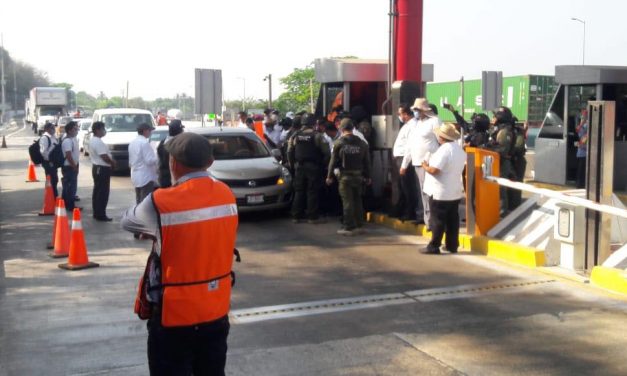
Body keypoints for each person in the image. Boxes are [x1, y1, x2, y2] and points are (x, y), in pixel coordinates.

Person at [121, 132, 238, 375]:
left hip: (174, 315)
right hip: (216, 309)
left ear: (172, 163)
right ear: (210, 162)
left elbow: (128, 222)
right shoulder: (226, 193)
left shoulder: (161, 201)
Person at [421, 123, 466, 254]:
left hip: (440, 192)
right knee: (452, 221)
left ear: (442, 137)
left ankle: (434, 246)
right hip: (454, 191)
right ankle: (452, 245)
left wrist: (425, 166)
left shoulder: (444, 150)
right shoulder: (459, 150)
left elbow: (435, 170)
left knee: (438, 220)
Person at [400, 98, 442, 226]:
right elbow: (410, 145)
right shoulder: (416, 124)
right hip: (417, 163)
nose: (415, 112)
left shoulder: (434, 121)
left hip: (430, 163)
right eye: (414, 110)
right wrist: (404, 164)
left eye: (417, 110)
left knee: (431, 192)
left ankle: (434, 220)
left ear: (424, 110)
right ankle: (428, 220)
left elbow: (442, 140)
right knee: (422, 193)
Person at [327, 118, 371, 236]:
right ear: (352, 128)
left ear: (341, 129)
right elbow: (367, 162)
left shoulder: (339, 143)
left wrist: (329, 176)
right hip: (358, 176)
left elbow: (333, 161)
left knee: (347, 202)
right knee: (357, 200)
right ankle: (359, 224)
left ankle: (348, 226)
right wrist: (368, 176)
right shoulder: (362, 143)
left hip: (345, 177)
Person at [287, 113, 330, 223]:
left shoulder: (295, 135)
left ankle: (296, 216)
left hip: (299, 167)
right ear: (313, 123)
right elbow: (327, 153)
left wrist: (292, 165)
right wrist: (322, 165)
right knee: (312, 191)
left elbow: (289, 151)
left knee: (299, 191)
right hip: (313, 166)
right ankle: (312, 217)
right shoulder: (317, 136)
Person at [129, 123, 158, 238]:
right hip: (146, 176)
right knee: (145, 205)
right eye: (150, 130)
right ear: (145, 131)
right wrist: (157, 155)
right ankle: (142, 231)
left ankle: (138, 230)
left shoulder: (133, 142)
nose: (150, 132)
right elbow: (150, 160)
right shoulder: (144, 143)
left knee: (139, 203)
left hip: (136, 175)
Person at [392, 104, 417, 220]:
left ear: (406, 114)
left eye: (400, 114)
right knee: (402, 186)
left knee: (407, 187)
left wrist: (404, 165)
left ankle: (410, 212)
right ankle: (401, 210)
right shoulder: (407, 125)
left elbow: (410, 147)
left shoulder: (412, 126)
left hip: (404, 159)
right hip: (400, 158)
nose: (399, 116)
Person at [89, 121, 116, 221]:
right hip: (102, 168)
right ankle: (100, 214)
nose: (104, 131)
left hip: (97, 168)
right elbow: (104, 156)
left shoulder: (95, 140)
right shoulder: (97, 142)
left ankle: (97, 212)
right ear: (97, 130)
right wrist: (112, 162)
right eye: (102, 129)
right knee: (102, 192)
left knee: (97, 191)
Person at [157, 120, 184, 188]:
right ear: (180, 130)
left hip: (164, 178)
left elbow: (158, 161)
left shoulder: (162, 143)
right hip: (176, 180)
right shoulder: (180, 144)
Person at [61, 121, 80, 212]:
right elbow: (68, 155)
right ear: (69, 131)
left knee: (69, 187)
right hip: (69, 167)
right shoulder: (67, 141)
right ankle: (70, 206)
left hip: (72, 166)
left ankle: (66, 203)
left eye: (77, 129)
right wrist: (74, 166)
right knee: (70, 187)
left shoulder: (73, 139)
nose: (77, 131)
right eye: (75, 129)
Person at [39, 121, 59, 197]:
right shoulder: (45, 138)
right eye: (52, 128)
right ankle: (51, 196)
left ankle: (53, 195)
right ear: (47, 129)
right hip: (48, 163)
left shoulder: (53, 137)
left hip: (53, 163)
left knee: (55, 180)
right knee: (51, 180)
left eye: (54, 128)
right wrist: (49, 160)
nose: (54, 129)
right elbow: (43, 152)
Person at [575, 108, 588, 188]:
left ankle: (580, 185)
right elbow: (578, 133)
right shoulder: (581, 126)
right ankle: (579, 184)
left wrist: (581, 144)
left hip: (584, 152)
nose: (582, 118)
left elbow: (585, 137)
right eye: (582, 117)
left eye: (583, 117)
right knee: (580, 170)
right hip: (580, 152)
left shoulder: (587, 126)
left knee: (582, 170)